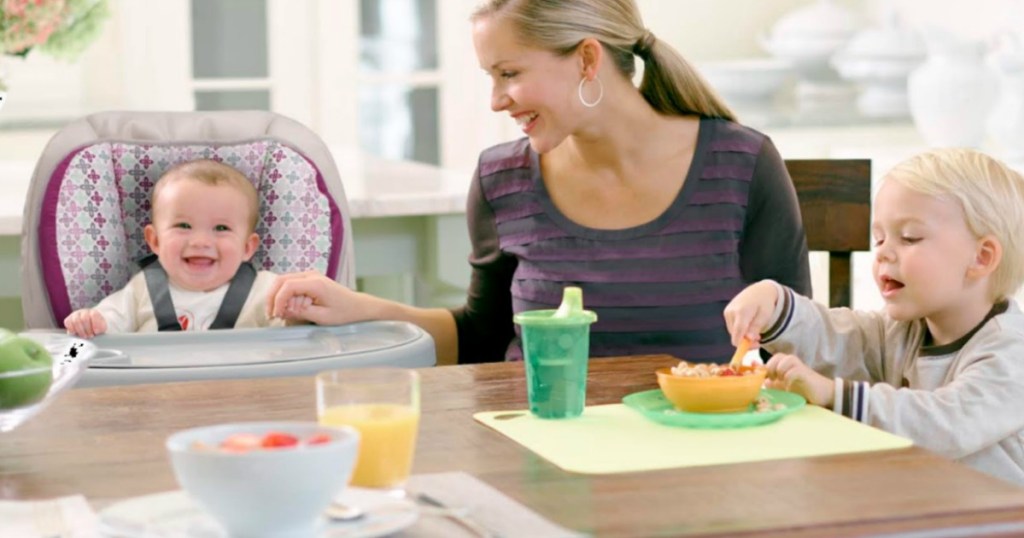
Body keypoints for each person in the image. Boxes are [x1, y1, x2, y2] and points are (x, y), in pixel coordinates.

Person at [267, 0, 811, 365]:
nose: (496, 100)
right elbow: (483, 338)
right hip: (542, 451)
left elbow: (800, 339)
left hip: (707, 456)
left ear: (587, 60)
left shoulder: (742, 164)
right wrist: (359, 308)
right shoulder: (502, 180)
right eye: (491, 78)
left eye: (509, 74)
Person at [724, 148, 1024, 485]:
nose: (882, 252)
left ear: (981, 257)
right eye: (879, 238)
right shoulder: (900, 331)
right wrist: (774, 303)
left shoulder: (1012, 353)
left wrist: (833, 394)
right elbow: (840, 337)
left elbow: (947, 422)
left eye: (910, 237)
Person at [64, 159, 292, 337]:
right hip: (156, 393)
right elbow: (107, 322)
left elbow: (297, 334)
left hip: (244, 392)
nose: (200, 241)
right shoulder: (142, 290)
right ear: (155, 241)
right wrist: (90, 322)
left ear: (246, 247)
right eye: (183, 226)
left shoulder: (268, 290)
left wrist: (298, 310)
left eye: (221, 228)